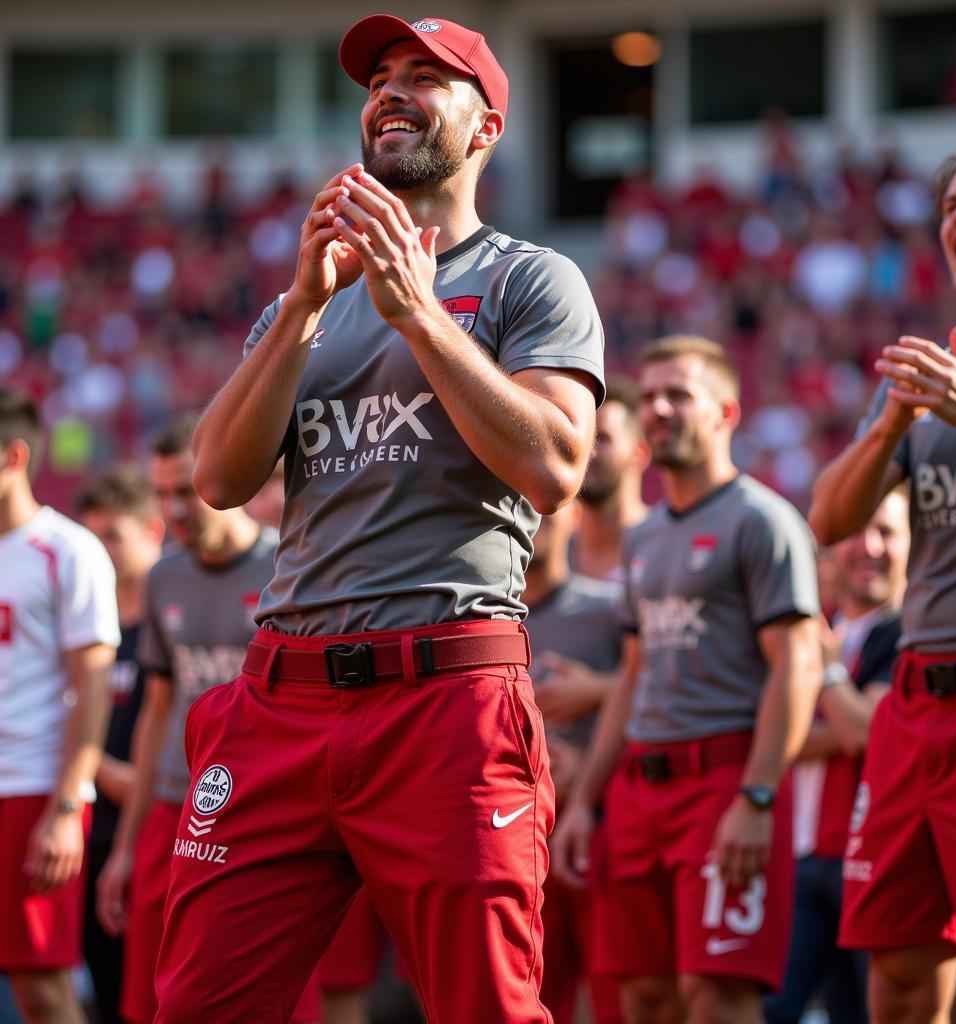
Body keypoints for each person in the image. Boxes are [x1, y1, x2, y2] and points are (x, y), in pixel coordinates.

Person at [155, 14, 603, 1024]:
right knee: (195, 1006)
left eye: (424, 78)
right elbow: (220, 478)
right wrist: (308, 307)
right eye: (379, 79)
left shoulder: (533, 278)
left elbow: (553, 464)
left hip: (444, 695)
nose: (390, 92)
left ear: (486, 127)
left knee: (485, 1005)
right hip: (282, 694)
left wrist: (417, 313)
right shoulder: (298, 304)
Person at [808, 131, 956, 1023]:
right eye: (949, 207)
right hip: (913, 708)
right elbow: (829, 520)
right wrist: (893, 424)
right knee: (895, 973)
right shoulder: (926, 373)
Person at [552, 336, 821, 1024]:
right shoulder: (645, 539)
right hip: (639, 790)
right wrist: (586, 801)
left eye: (681, 395)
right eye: (652, 396)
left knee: (718, 997)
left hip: (723, 778)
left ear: (727, 411)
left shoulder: (763, 521)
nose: (660, 409)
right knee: (642, 997)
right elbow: (635, 676)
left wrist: (758, 797)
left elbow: (797, 663)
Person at [93, 417, 301, 1024]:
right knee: (149, 1001)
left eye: (184, 489)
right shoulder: (163, 577)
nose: (172, 509)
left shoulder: (289, 564)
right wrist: (127, 847)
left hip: (265, 812)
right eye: (161, 494)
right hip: (172, 806)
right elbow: (158, 709)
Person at [764, 488, 909, 1024]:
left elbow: (866, 733)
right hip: (801, 859)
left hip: (872, 862)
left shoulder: (909, 633)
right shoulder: (827, 634)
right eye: (854, 532)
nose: (868, 547)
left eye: (888, 532)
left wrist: (824, 673)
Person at [0, 388, 120, 1024]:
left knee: (42, 990)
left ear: (13, 456)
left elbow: (92, 686)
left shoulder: (67, 550)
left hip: (29, 788)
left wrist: (66, 805)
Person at [525, 501, 624, 1024]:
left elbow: (657, 693)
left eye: (545, 506)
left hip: (600, 832)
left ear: (577, 516)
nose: (534, 519)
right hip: (512, 839)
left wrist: (599, 692)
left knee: (619, 1001)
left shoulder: (609, 610)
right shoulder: (475, 616)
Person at [77, 465, 166, 1024]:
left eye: (114, 535)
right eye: (93, 536)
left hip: (165, 831)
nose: (101, 551)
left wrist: (93, 762)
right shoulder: (84, 625)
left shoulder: (174, 618)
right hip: (91, 833)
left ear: (151, 531)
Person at [570, 374, 650, 584]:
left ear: (639, 453)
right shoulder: (550, 555)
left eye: (602, 439)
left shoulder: (665, 546)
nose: (588, 451)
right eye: (582, 436)